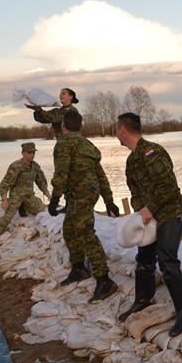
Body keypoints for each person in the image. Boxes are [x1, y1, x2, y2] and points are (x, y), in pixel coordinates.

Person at [115, 112, 182, 337]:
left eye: (116, 130)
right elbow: (135, 192)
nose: (116, 135)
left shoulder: (153, 152)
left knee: (167, 260)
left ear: (123, 130)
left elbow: (168, 186)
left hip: (171, 212)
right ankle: (142, 300)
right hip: (150, 217)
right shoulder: (132, 160)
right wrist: (141, 212)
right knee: (144, 259)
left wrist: (149, 208)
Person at [48, 111, 121, 303]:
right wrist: (108, 200)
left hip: (81, 194)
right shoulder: (87, 144)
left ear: (64, 125)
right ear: (80, 125)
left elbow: (61, 173)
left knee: (85, 232)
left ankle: (104, 280)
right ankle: (79, 268)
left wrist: (54, 199)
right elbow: (101, 174)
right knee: (69, 229)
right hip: (86, 193)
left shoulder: (64, 143)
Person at [0, 142, 50, 251]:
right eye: (29, 153)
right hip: (16, 197)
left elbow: (41, 181)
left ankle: (23, 207)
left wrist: (47, 193)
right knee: (7, 217)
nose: (32, 155)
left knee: (43, 211)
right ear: (23, 153)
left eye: (33, 152)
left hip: (29, 196)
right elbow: (4, 185)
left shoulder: (35, 166)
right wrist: (4, 200)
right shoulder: (16, 166)